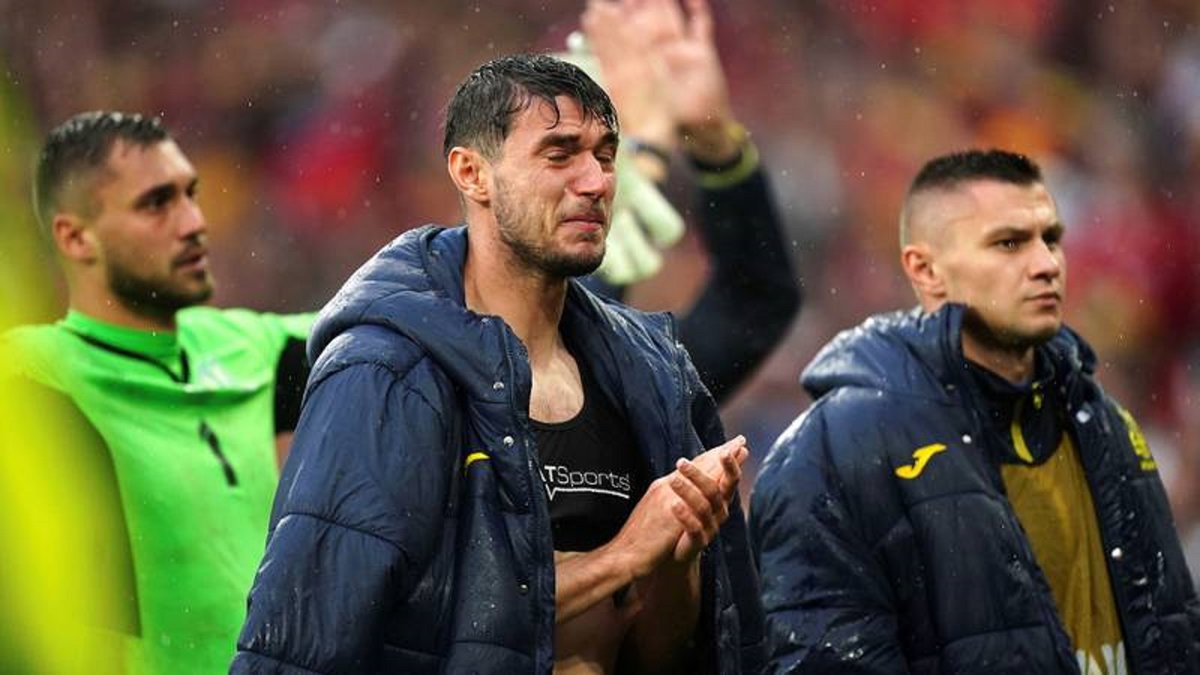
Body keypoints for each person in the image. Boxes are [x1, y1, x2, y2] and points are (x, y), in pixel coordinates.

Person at [233, 53, 764, 674]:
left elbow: (669, 656)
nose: (596, 182)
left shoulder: (650, 377)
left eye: (605, 156)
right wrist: (619, 556)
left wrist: (676, 554)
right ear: (472, 173)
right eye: (559, 155)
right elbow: (316, 633)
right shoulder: (385, 373)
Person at [750, 149, 1200, 673]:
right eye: (1008, 243)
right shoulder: (834, 452)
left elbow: (1173, 637)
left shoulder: (1106, 425)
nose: (1046, 264)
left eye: (1051, 239)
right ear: (926, 270)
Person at [0, 111, 314, 674]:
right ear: (75, 237)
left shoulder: (253, 345)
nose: (194, 222)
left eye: (190, 194)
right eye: (156, 204)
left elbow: (398, 312)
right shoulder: (33, 374)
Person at [578, 0, 801, 404]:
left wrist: (715, 146)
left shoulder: (642, 390)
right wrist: (641, 151)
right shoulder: (514, 120)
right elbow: (562, 342)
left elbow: (755, 304)